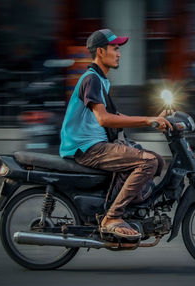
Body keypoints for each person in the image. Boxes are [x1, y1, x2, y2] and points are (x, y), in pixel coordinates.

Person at [60, 29, 172, 239]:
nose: (119, 53)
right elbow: (104, 119)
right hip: (87, 147)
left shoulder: (101, 80)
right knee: (147, 162)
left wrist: (153, 120)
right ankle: (112, 217)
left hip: (97, 144)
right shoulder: (91, 79)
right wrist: (148, 120)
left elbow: (116, 116)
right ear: (101, 51)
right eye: (115, 48)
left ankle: (129, 207)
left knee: (157, 160)